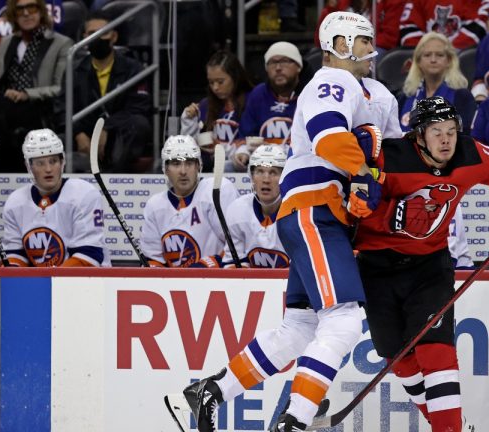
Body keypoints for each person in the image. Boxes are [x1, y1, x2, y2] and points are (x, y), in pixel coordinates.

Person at [165, 12, 388, 432]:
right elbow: (327, 133)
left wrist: (368, 164)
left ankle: (209, 392)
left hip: (306, 212)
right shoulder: (335, 80)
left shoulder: (351, 87)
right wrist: (364, 172)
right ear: (338, 43)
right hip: (315, 209)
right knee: (342, 319)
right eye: (362, 40)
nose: (369, 47)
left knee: (300, 326)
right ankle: (297, 418)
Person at [352, 96, 489, 432]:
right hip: (376, 267)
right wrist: (387, 216)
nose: (446, 139)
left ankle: (448, 429)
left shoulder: (468, 154)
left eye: (451, 131)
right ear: (418, 135)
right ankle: (452, 424)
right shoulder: (389, 158)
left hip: (429, 267)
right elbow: (351, 201)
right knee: (398, 358)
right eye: (437, 132)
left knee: (435, 350)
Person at [0, 0, 72, 173]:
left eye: (31, 8)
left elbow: (60, 87)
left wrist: (27, 93)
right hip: (4, 104)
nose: (26, 13)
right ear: (13, 15)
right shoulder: (8, 42)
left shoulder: (61, 43)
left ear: (41, 12)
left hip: (40, 107)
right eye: (20, 9)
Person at [1, 129, 110, 267]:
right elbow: (15, 254)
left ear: (62, 162)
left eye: (53, 161)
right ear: (29, 166)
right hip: (42, 284)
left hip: (88, 284)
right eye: (40, 163)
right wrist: (12, 272)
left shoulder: (84, 195)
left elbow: (90, 255)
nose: (48, 169)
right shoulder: (15, 202)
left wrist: (52, 281)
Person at [140, 135, 239, 268]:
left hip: (217, 283)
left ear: (198, 166)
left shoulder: (216, 191)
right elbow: (153, 260)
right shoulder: (155, 205)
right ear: (166, 169)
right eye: (176, 163)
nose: (183, 171)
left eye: (189, 163)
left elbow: (238, 244)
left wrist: (207, 265)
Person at [71, 10, 152, 173]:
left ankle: (115, 178)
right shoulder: (74, 69)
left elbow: (138, 107)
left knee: (139, 124)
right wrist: (78, 133)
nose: (97, 38)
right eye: (92, 33)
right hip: (84, 133)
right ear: (84, 37)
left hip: (117, 133)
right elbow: (63, 108)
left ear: (114, 36)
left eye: (103, 33)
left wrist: (106, 128)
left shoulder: (133, 68)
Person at [180, 50, 254, 172]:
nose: (215, 87)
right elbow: (187, 148)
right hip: (211, 170)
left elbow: (252, 145)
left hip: (246, 170)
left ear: (235, 77)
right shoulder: (205, 105)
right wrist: (189, 120)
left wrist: (220, 148)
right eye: (211, 82)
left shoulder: (253, 100)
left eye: (220, 82)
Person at [219, 145, 289, 268]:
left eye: (273, 172)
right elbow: (232, 264)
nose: (266, 179)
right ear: (251, 176)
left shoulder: (297, 213)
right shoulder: (237, 210)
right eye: (260, 171)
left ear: (284, 177)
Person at [397, 31, 476, 134]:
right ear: (418, 61)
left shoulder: (462, 96)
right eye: (427, 55)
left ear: (449, 60)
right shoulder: (405, 97)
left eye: (439, 55)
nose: (433, 60)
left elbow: (466, 138)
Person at [238, 42, 303, 155]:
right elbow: (245, 137)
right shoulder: (258, 94)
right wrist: (242, 152)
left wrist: (277, 150)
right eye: (272, 62)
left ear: (298, 66)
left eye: (284, 61)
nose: (278, 68)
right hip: (262, 165)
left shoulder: (310, 93)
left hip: (299, 165)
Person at [399, 0, 489, 50]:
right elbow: (408, 28)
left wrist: (447, 52)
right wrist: (427, 52)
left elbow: (476, 28)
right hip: (425, 58)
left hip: (460, 57)